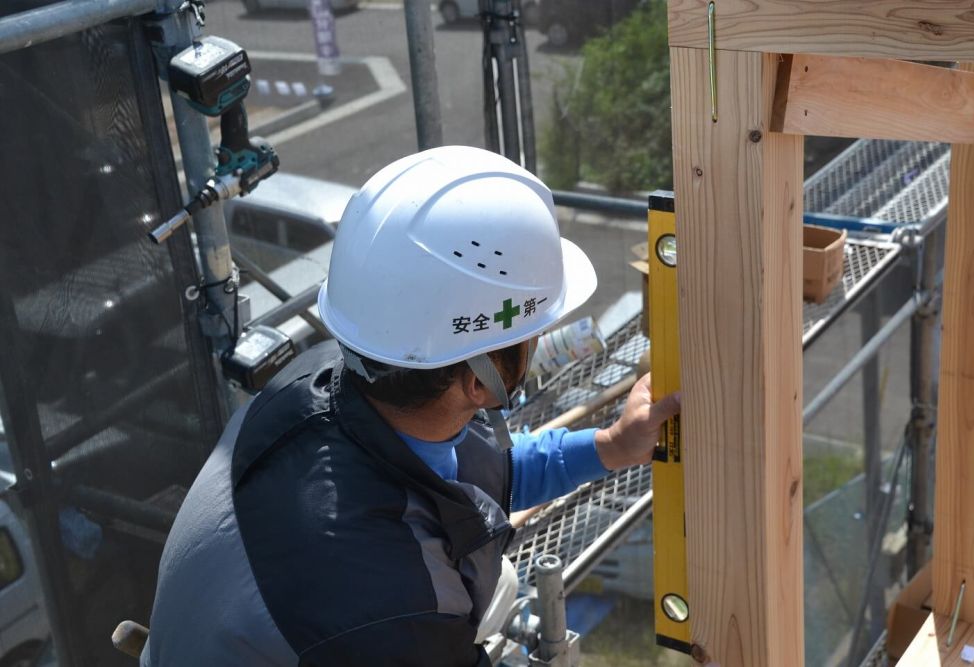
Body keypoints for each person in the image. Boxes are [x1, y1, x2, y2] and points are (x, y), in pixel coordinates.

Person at [140, 146, 680, 666]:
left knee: (500, 582)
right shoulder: (396, 606)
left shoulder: (334, 377)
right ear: (477, 383)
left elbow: (485, 469)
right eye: (533, 333)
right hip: (350, 624)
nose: (541, 342)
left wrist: (611, 446)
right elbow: (390, 610)